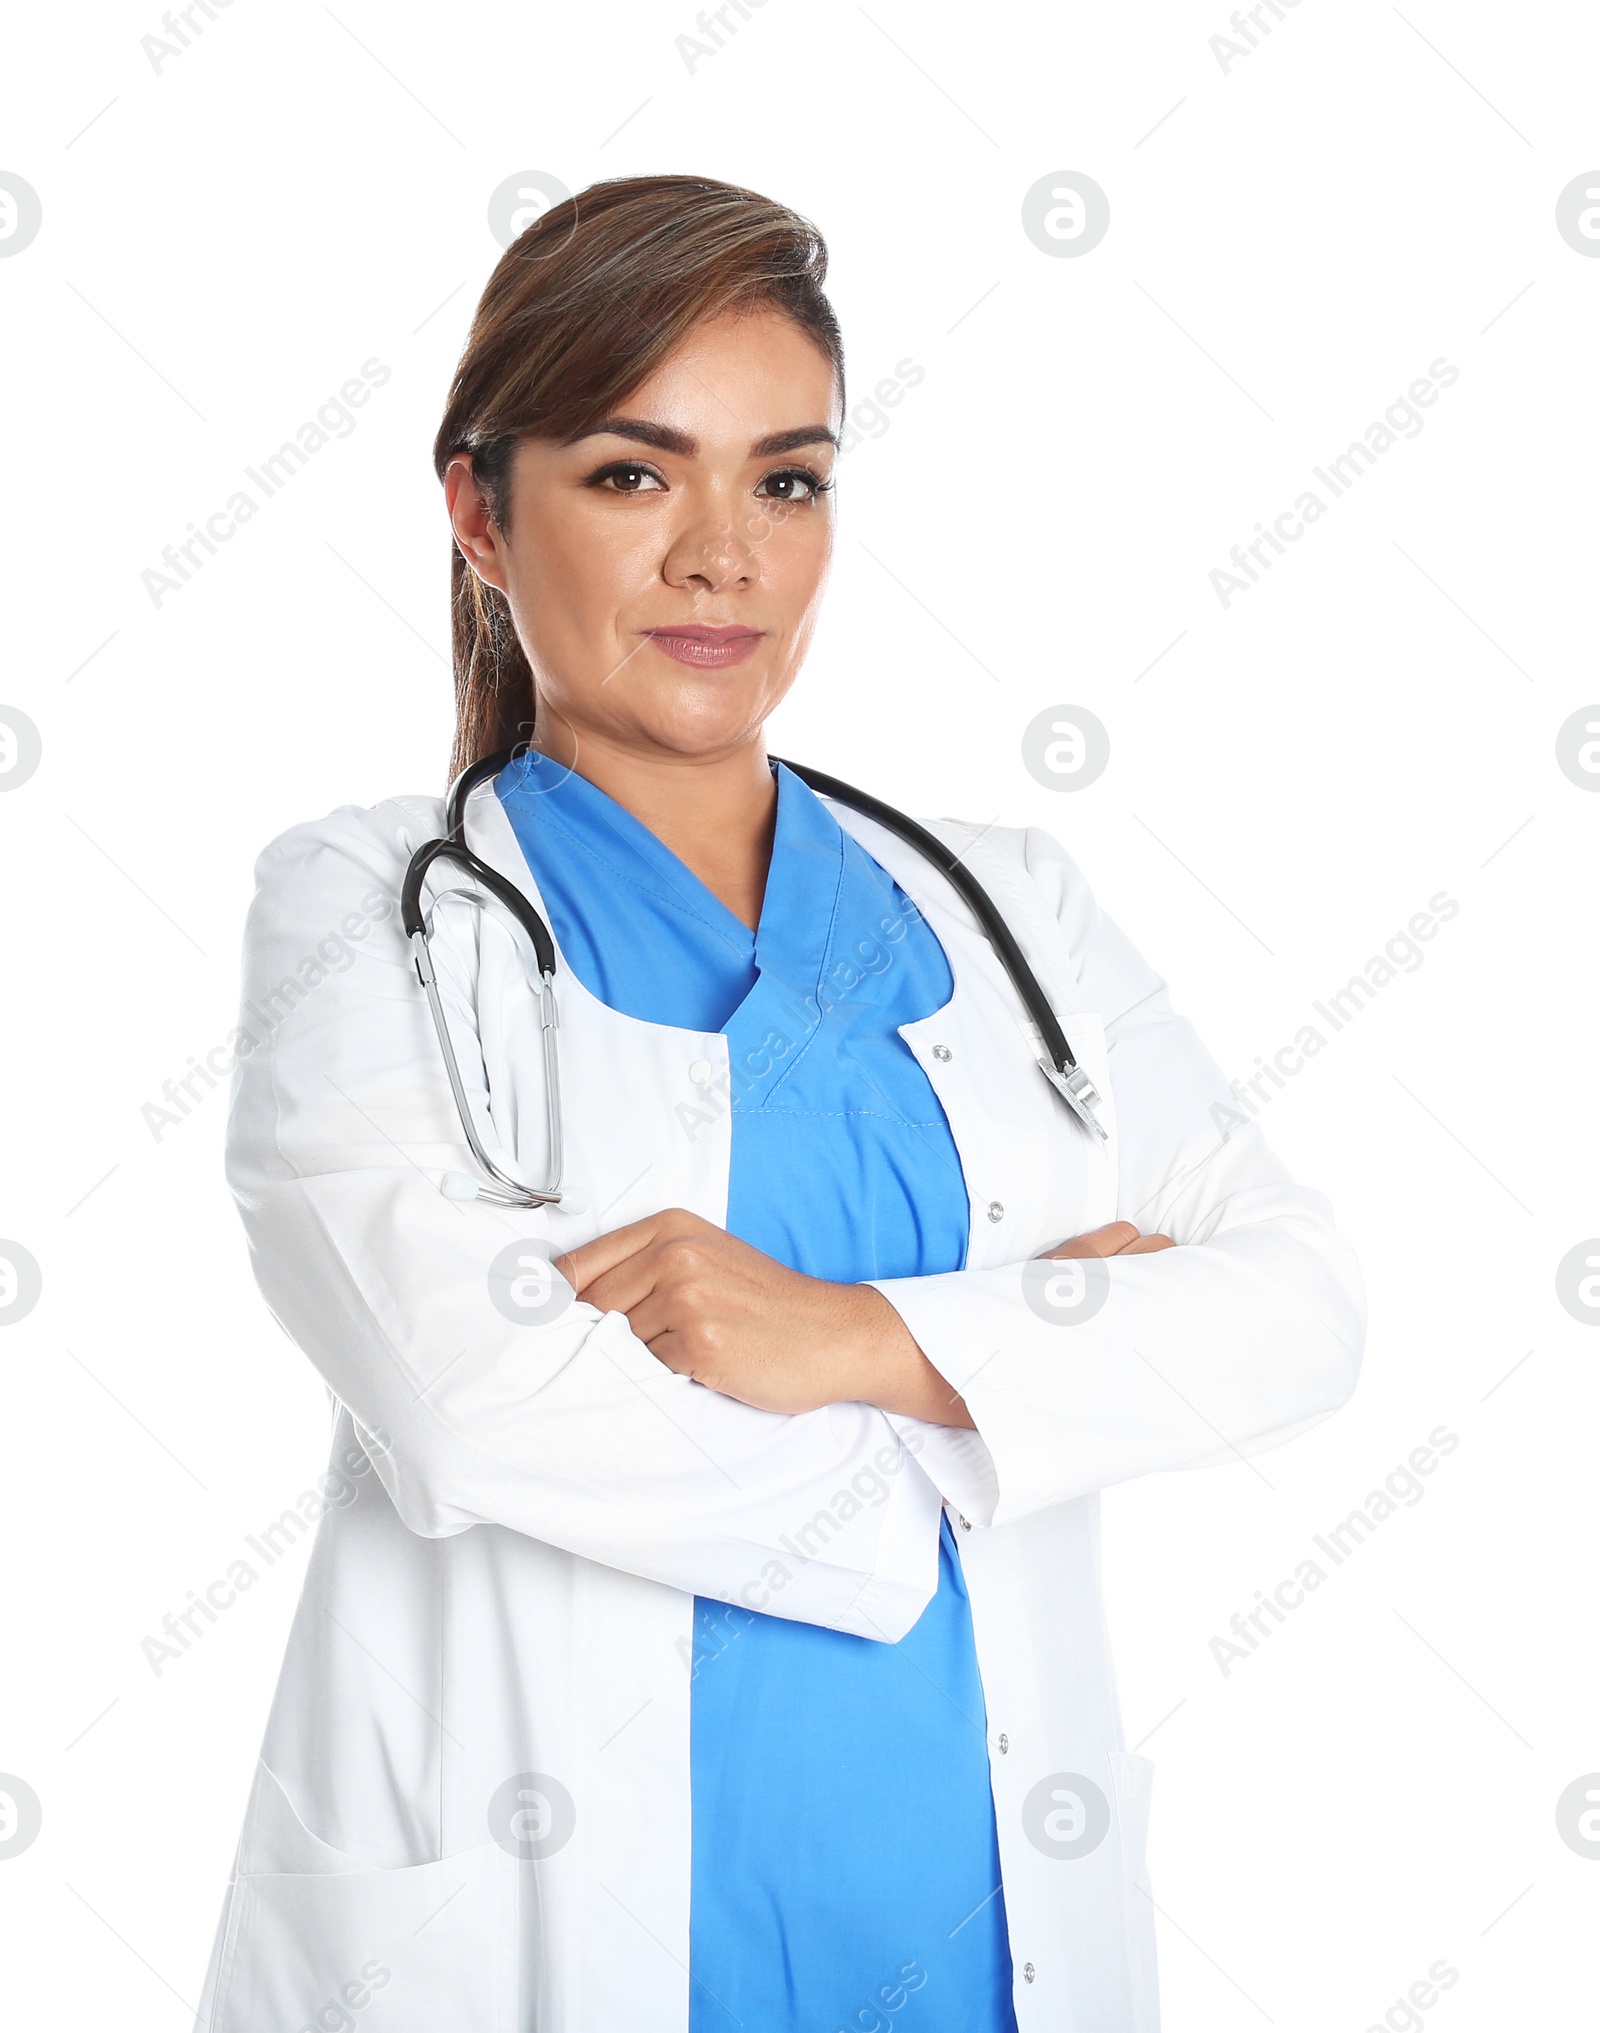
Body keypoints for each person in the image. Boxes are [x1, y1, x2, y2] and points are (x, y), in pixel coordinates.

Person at [195, 174, 1365, 2033]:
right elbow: (468, 1398)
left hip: (980, 1922)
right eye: (635, 474)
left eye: (788, 478)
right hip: (535, 1929)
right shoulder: (366, 905)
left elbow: (1298, 1309)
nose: (722, 555)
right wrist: (1043, 1368)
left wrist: (852, 1335)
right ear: (480, 515)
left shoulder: (1009, 904)